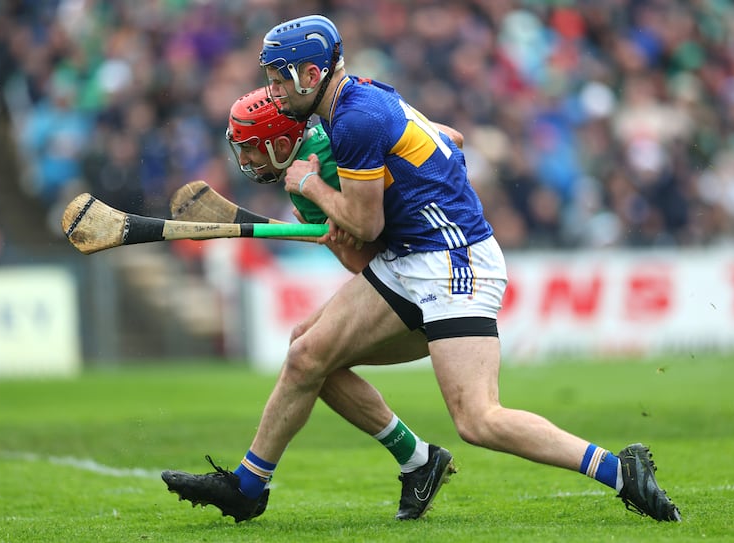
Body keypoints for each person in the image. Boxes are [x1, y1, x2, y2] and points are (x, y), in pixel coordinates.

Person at [163, 15, 681, 523]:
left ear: (311, 75)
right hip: (411, 258)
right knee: (307, 354)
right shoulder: (362, 95)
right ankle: (258, 484)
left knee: (478, 419)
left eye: (279, 81)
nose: (274, 93)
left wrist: (311, 187)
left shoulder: (354, 118)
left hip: (453, 262)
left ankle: (621, 471)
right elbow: (448, 137)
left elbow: (364, 227)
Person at [163, 87, 464, 521]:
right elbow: (452, 138)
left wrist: (333, 222)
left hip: (433, 278)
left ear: (282, 144)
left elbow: (361, 261)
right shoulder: (331, 138)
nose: (244, 162)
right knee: (305, 347)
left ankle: (248, 487)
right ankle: (419, 461)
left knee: (308, 355)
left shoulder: (317, 168)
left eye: (251, 150)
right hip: (422, 267)